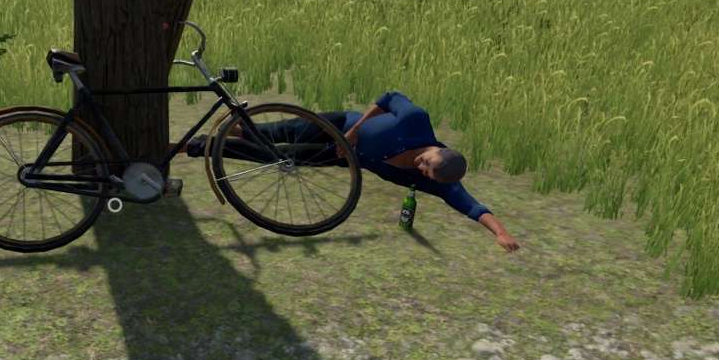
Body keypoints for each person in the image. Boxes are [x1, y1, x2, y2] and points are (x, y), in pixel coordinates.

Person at [189, 90, 521, 252]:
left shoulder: (434, 181)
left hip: (344, 157)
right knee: (274, 132)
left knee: (280, 157)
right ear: (437, 149)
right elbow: (389, 97)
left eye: (427, 174)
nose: (420, 168)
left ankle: (202, 145)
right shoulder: (415, 121)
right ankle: (226, 131)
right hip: (339, 127)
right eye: (426, 162)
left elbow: (471, 205)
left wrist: (501, 233)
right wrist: (354, 131)